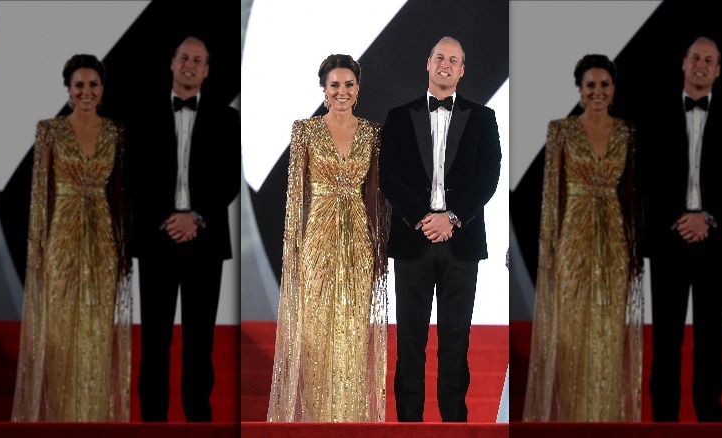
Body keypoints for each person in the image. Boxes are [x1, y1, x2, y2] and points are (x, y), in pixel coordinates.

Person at [380, 36, 502, 422]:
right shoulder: (399, 116)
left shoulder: (483, 118)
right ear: (428, 64)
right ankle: (408, 427)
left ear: (463, 69)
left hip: (460, 242)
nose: (446, 64)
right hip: (412, 241)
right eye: (440, 57)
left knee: (456, 341)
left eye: (454, 59)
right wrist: (423, 217)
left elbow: (489, 176)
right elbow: (389, 177)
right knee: (410, 343)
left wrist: (451, 218)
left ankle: (455, 425)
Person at [641, 36, 722, 422]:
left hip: (717, 241)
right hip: (669, 240)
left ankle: (710, 421)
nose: (702, 64)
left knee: (712, 340)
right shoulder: (656, 114)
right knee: (666, 341)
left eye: (710, 60)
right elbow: (646, 176)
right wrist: (679, 219)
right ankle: (664, 425)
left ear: (718, 69)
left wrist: (706, 217)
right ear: (684, 63)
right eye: (695, 57)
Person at [266, 54, 388, 422]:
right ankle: (319, 422)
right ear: (323, 89)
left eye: (349, 85)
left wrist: (378, 248)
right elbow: (295, 199)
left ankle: (349, 422)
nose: (342, 91)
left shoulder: (372, 132)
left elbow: (375, 195)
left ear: (358, 90)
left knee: (351, 337)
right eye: (335, 84)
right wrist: (296, 250)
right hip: (317, 242)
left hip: (359, 247)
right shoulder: (304, 131)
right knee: (316, 338)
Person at [522, 54, 642, 422]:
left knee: (607, 336)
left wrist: (634, 250)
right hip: (572, 241)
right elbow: (551, 197)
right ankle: (573, 421)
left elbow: (631, 195)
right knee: (572, 337)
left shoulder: (626, 132)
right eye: (591, 85)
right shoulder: (561, 130)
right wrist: (552, 250)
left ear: (613, 89)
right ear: (579, 88)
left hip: (615, 247)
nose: (598, 92)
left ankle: (606, 421)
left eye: (605, 85)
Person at [11, 54, 131, 421]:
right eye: (79, 85)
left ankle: (94, 420)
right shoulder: (49, 130)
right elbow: (39, 196)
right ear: (68, 89)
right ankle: (62, 420)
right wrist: (41, 248)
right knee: (61, 335)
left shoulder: (114, 132)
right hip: (61, 241)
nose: (86, 92)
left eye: (93, 85)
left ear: (102, 89)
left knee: (96, 335)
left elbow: (119, 194)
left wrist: (122, 248)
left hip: (102, 244)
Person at [128, 36, 240, 422]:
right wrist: (168, 217)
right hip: (157, 240)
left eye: (199, 60)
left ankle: (198, 423)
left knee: (200, 342)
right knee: (154, 342)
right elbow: (135, 176)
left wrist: (195, 217)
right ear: (172, 63)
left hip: (204, 241)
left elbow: (229, 179)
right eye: (185, 58)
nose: (190, 64)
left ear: (207, 70)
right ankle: (152, 425)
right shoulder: (142, 114)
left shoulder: (228, 119)